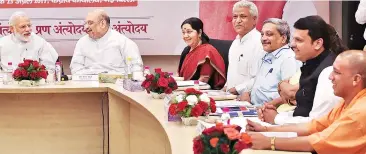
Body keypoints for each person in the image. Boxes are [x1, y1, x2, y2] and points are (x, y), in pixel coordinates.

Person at [246, 50, 366, 154]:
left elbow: (317, 142)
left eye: (337, 72)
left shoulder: (359, 112)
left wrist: (269, 142)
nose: (330, 77)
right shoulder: (347, 103)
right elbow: (313, 127)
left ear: (356, 79)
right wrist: (266, 130)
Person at [257, 16, 339, 125]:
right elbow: (303, 111)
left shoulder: (328, 72)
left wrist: (276, 118)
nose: (292, 44)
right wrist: (273, 114)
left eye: (299, 40)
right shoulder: (311, 65)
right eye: (293, 39)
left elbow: (318, 123)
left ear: (318, 43)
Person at [238, 18, 299, 106]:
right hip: (253, 107)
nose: (263, 38)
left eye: (269, 34)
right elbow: (256, 80)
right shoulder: (265, 54)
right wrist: (247, 93)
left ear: (283, 38)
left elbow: (289, 95)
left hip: (271, 111)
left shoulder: (288, 59)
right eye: (262, 34)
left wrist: (265, 108)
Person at [70, 9, 143, 75]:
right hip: (89, 85)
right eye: (85, 23)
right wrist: (95, 75)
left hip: (116, 86)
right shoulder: (82, 42)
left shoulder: (123, 42)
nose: (86, 27)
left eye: (90, 23)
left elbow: (136, 69)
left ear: (102, 24)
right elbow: (75, 69)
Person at [223, 0, 265, 95]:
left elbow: (259, 77)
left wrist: (236, 89)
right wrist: (225, 88)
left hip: (248, 98)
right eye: (235, 17)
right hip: (230, 97)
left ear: (254, 20)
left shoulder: (260, 43)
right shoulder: (235, 42)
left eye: (243, 16)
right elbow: (232, 72)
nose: (238, 20)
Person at [177, 17, 226, 89]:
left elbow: (203, 80)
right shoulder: (186, 50)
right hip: (185, 89)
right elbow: (181, 77)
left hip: (201, 92)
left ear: (199, 32)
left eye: (189, 32)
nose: (185, 36)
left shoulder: (207, 51)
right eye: (183, 32)